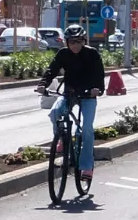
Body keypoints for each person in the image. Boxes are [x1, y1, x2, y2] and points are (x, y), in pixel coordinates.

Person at [36, 24, 105, 182]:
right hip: (69, 93)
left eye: (78, 41)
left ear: (84, 41)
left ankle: (86, 167)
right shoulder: (63, 54)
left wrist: (98, 90)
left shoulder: (92, 54)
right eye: (72, 42)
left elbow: (99, 75)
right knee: (55, 113)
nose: (75, 45)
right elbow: (51, 70)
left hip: (88, 96)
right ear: (66, 43)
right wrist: (42, 84)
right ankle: (61, 138)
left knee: (86, 129)